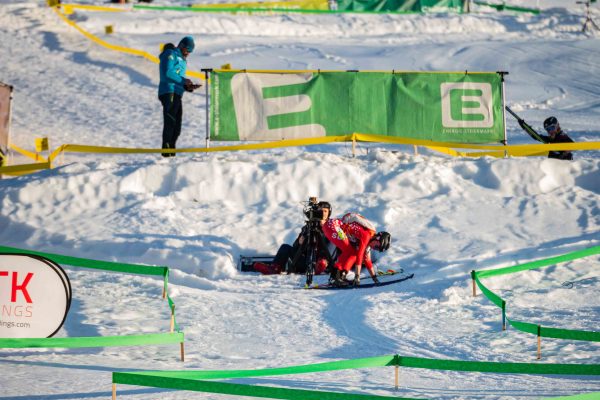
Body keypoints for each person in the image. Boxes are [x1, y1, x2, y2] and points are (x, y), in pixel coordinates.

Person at [253, 201, 334, 275]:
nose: (322, 213)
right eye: (320, 211)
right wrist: (299, 242)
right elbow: (296, 247)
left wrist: (324, 227)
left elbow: (332, 244)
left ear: (329, 213)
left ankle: (318, 268)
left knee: (325, 254)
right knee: (285, 247)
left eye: (325, 211)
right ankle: (274, 268)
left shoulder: (332, 226)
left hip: (321, 261)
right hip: (305, 262)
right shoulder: (308, 227)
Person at [158, 36, 201, 157]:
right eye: (187, 50)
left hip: (177, 93)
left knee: (177, 125)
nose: (188, 53)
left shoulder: (182, 59)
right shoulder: (170, 53)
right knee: (170, 121)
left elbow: (179, 79)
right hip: (169, 91)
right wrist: (183, 81)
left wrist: (187, 86)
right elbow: (168, 72)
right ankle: (166, 151)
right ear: (181, 46)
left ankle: (171, 151)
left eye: (190, 51)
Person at [322, 212, 391, 286]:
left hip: (334, 226)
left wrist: (375, 279)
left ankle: (340, 276)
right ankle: (335, 277)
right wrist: (357, 276)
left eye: (377, 249)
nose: (374, 248)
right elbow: (360, 255)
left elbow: (368, 261)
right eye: (377, 246)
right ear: (377, 238)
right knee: (350, 251)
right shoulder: (367, 236)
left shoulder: (368, 242)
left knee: (353, 253)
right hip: (333, 226)